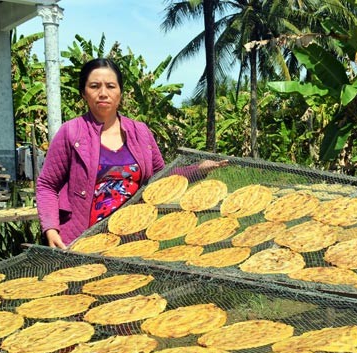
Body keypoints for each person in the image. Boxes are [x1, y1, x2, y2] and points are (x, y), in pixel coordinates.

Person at [36, 58, 226, 248]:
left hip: (134, 240)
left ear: (120, 93)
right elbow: (47, 184)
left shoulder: (140, 132)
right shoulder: (71, 132)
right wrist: (51, 228)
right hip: (84, 242)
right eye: (94, 86)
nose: (103, 93)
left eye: (111, 86)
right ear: (84, 93)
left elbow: (161, 180)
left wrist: (199, 169)